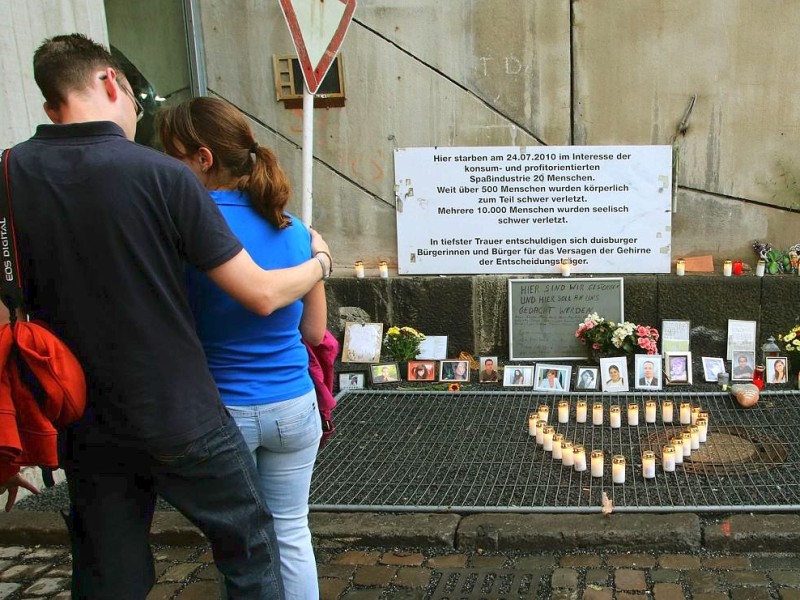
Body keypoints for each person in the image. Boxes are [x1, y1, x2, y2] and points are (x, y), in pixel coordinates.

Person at [5, 33, 332, 599]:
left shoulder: (7, 175)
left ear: (49, 102)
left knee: (111, 567)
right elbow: (258, 295)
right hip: (178, 409)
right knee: (254, 545)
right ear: (112, 83)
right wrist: (320, 262)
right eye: (137, 102)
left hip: (81, 414)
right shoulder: (163, 177)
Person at [158, 96, 328, 598]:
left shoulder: (181, 226)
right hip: (294, 405)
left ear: (202, 158)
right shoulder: (294, 227)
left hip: (221, 410)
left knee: (243, 543)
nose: (163, 168)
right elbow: (316, 333)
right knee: (293, 530)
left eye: (171, 156)